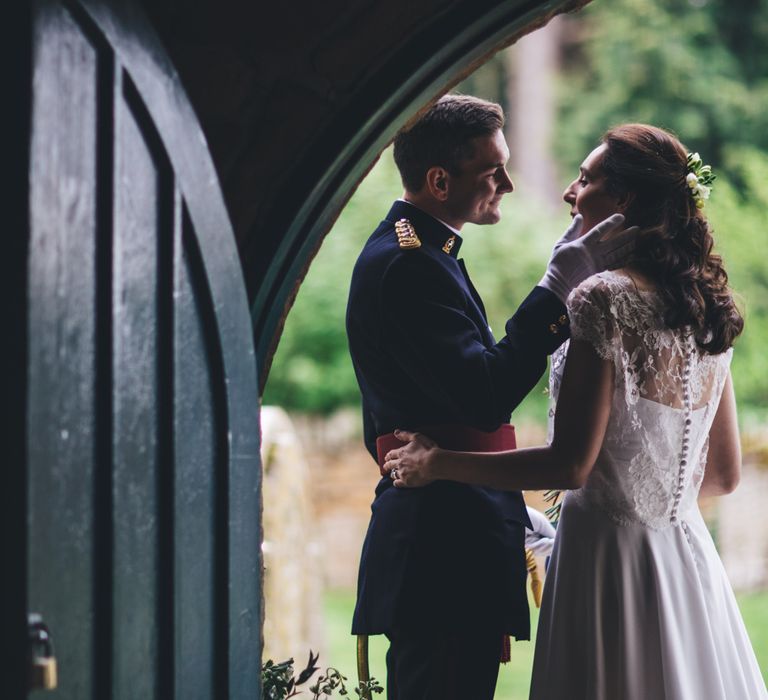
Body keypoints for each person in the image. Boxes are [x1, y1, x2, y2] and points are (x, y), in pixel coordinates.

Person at [383, 123, 768, 700]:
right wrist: (641, 506)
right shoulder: (704, 303)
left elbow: (570, 467)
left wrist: (440, 464)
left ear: (624, 202)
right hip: (686, 561)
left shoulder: (600, 297)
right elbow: (722, 475)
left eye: (584, 180)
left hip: (606, 568)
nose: (569, 191)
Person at [346, 94, 634, 700]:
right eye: (492, 171)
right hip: (441, 552)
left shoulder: (428, 253)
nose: (507, 182)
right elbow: (484, 396)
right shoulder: (410, 266)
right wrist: (556, 287)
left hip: (455, 529)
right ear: (439, 180)